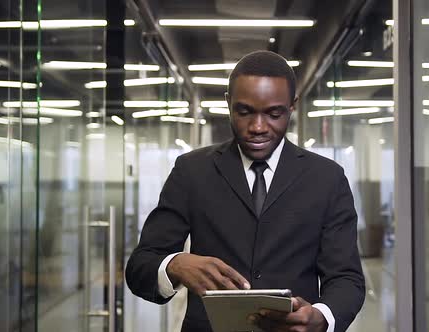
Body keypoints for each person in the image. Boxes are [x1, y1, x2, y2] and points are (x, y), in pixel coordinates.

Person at [126, 50, 365, 332]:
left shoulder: (327, 178)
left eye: (274, 113)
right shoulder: (191, 171)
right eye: (244, 112)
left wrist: (322, 316)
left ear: (292, 106)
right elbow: (140, 266)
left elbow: (346, 278)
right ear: (228, 103)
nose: (258, 127)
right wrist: (175, 264)